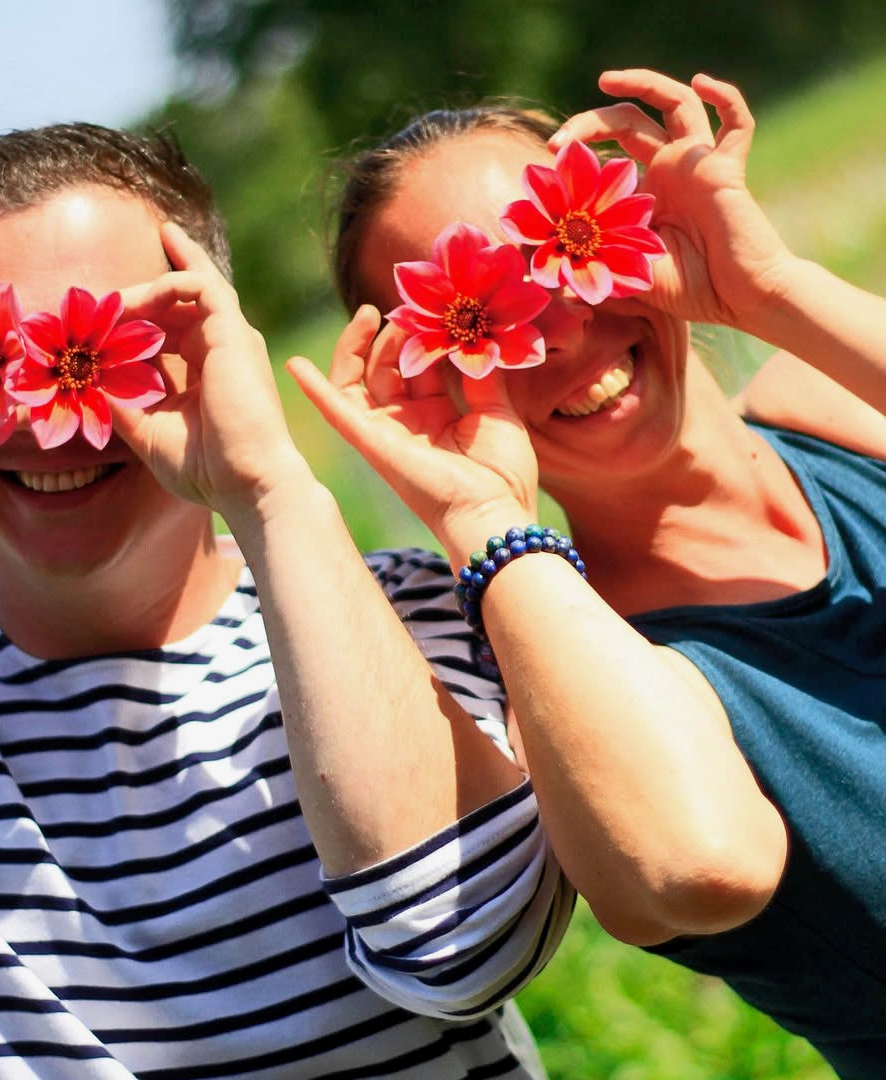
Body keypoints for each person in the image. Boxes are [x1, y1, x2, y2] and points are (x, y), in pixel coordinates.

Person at [0, 121, 574, 1078]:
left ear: (217, 350)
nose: (50, 418)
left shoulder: (399, 621)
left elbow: (457, 944)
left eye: (102, 347)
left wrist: (268, 490)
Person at [288, 69, 886, 1078]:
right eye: (482, 316)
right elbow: (693, 866)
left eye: (559, 255)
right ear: (418, 379)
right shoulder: (583, 687)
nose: (560, 330)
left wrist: (769, 287)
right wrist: (480, 516)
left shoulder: (834, 404)